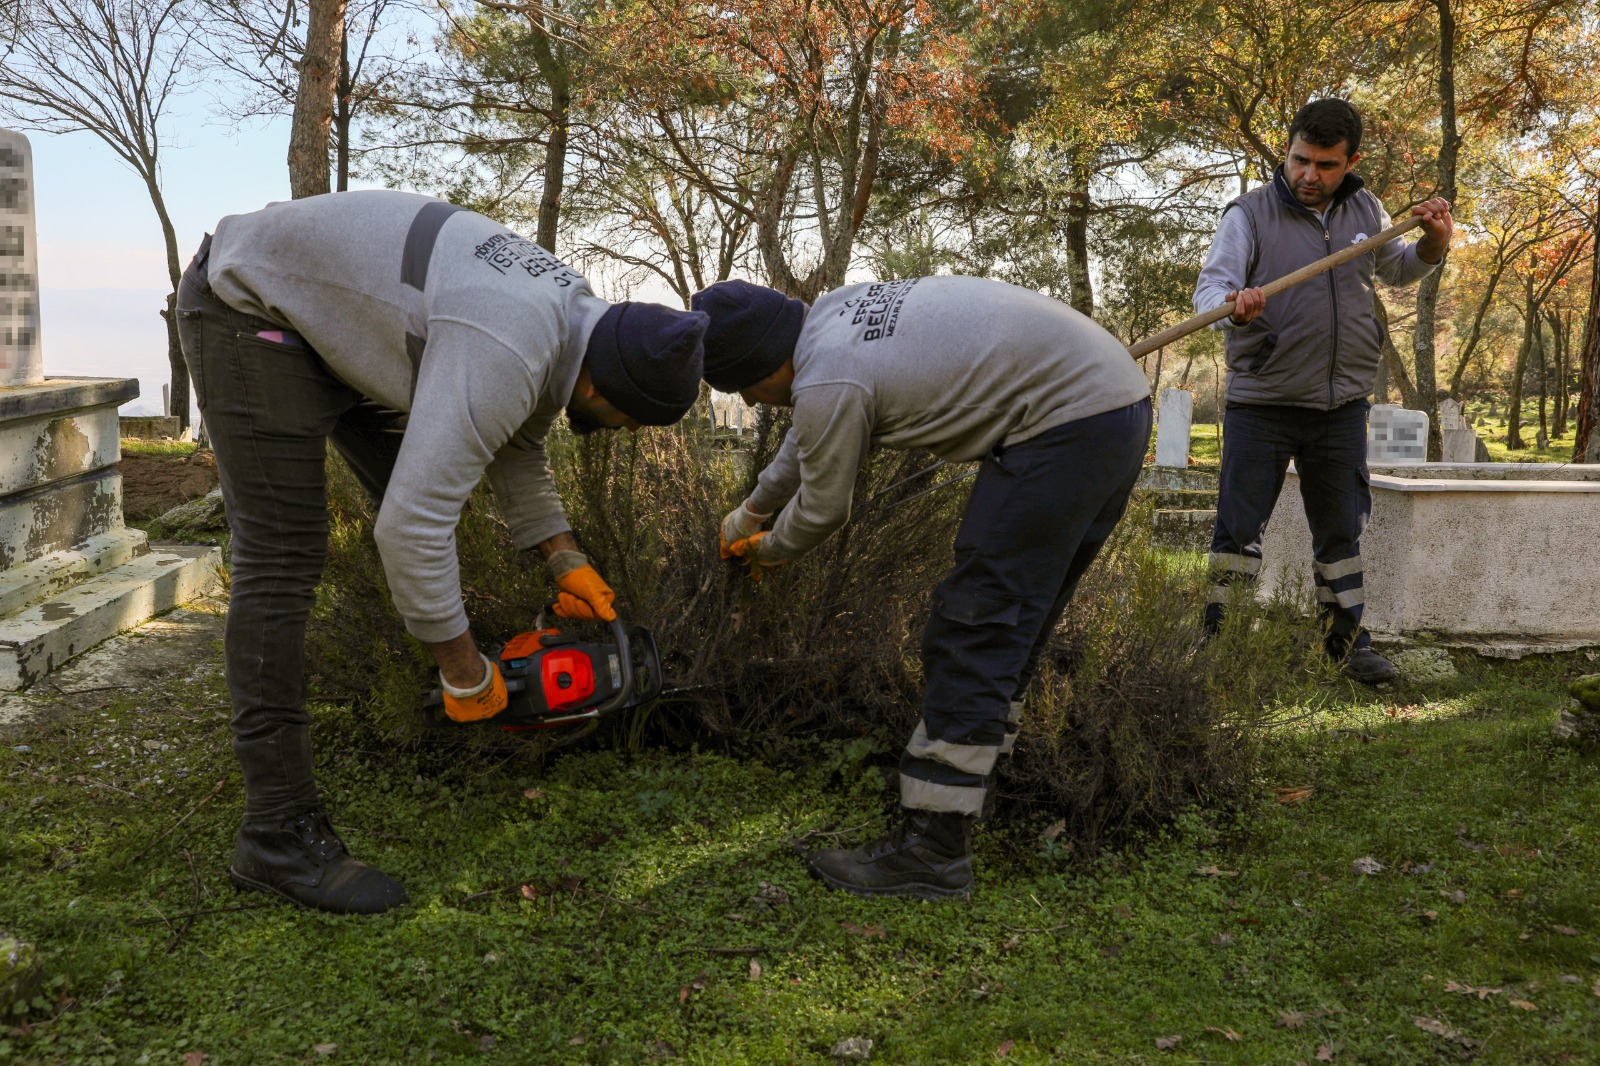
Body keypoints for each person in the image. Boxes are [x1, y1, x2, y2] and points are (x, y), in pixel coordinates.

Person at [176, 190, 708, 914]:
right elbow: (410, 528)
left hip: (327, 317)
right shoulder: (509, 342)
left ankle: (431, 685)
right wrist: (464, 671)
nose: (614, 433)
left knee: (419, 493)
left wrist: (563, 558)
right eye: (621, 420)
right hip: (249, 302)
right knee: (286, 555)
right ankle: (278, 832)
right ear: (599, 385)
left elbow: (516, 441)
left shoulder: (571, 316)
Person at [691, 276, 1151, 900]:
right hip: (1110, 408)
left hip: (1064, 426)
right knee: (1013, 624)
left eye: (746, 387)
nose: (754, 399)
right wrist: (748, 514)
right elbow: (807, 441)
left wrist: (767, 552)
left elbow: (824, 508)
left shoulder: (827, 378)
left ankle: (934, 850)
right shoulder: (834, 321)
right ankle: (966, 789)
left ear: (759, 366)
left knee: (974, 623)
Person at [1193, 98, 1453, 685]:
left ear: (1350, 161)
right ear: (1287, 151)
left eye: (1325, 165)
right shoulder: (1250, 214)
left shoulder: (1366, 207)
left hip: (1341, 405)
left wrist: (1433, 245)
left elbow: (1396, 269)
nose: (1309, 175)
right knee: (1238, 533)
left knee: (1340, 531)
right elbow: (1212, 288)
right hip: (1262, 402)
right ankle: (1217, 645)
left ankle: (1346, 644)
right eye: (1299, 160)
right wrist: (1232, 310)